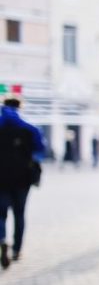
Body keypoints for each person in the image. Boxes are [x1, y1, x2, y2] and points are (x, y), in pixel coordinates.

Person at [0, 96, 46, 268]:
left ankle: (2, 239)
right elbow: (39, 152)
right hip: (22, 178)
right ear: (20, 107)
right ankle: (17, 250)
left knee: (0, 213)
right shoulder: (29, 127)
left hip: (1, 178)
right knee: (19, 213)